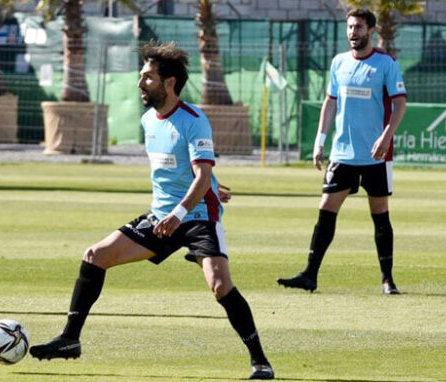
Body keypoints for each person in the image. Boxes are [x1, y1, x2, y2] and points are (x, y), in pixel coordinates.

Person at [29, 41, 274, 380]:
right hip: (160, 217)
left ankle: (260, 361)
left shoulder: (195, 119)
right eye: (141, 77)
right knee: (95, 255)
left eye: (147, 77)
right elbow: (189, 171)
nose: (140, 83)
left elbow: (201, 175)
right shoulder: (148, 120)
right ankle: (70, 339)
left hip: (198, 216)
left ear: (169, 82)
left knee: (220, 285)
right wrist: (192, 196)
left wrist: (190, 204)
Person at [277, 9, 407, 295]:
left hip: (375, 155)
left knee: (380, 213)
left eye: (358, 27)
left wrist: (386, 137)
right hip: (342, 153)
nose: (352, 32)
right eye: (349, 27)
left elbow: (400, 104)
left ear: (370, 30)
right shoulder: (339, 63)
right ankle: (309, 275)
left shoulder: (386, 64)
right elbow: (330, 102)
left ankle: (387, 279)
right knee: (326, 210)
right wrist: (320, 140)